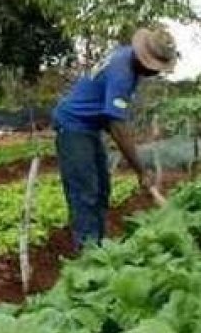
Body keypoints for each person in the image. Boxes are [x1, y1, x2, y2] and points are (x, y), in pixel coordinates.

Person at [52, 25, 177, 250]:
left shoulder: (125, 57)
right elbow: (116, 125)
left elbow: (113, 119)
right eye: (155, 68)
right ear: (144, 59)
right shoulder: (123, 73)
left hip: (90, 127)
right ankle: (88, 255)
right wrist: (141, 171)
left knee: (101, 190)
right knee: (85, 193)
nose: (156, 73)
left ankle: (98, 247)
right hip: (73, 125)